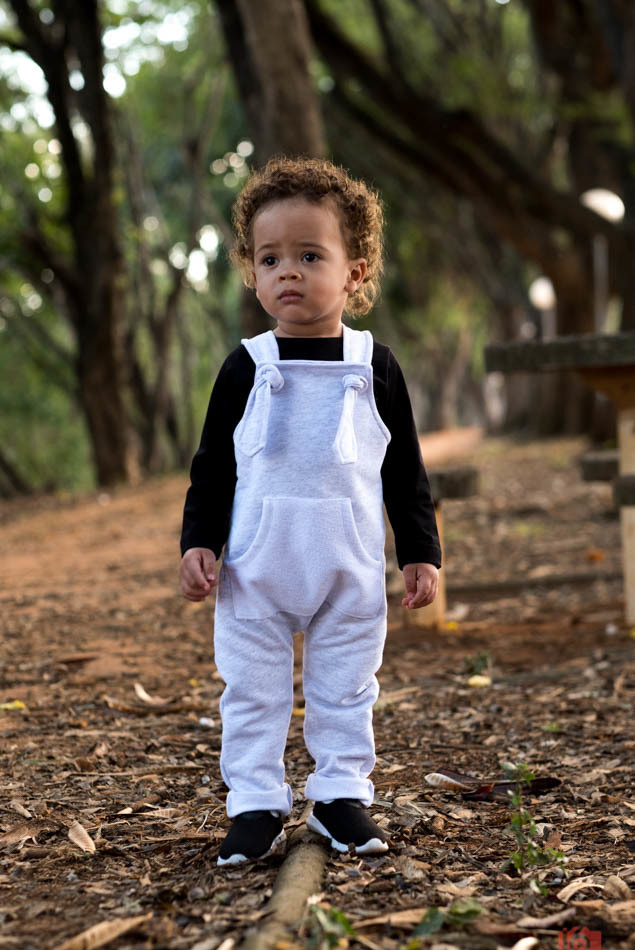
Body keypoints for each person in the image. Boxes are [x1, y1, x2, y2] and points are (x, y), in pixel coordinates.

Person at [179, 156, 441, 866]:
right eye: (269, 259)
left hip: (347, 569)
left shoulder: (374, 366)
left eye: (308, 256)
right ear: (252, 273)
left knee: (346, 688)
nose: (287, 272)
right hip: (256, 571)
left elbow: (404, 472)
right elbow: (213, 468)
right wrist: (198, 542)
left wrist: (420, 551)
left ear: (354, 272)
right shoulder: (245, 366)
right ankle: (255, 805)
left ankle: (339, 798)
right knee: (251, 692)